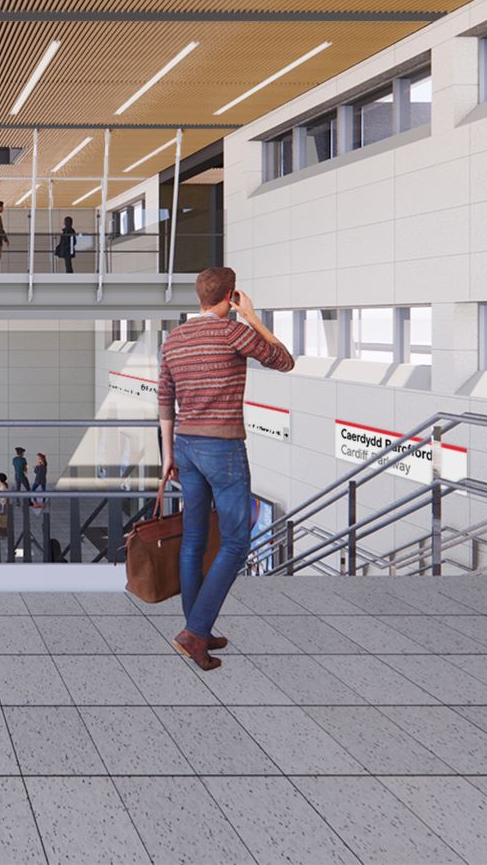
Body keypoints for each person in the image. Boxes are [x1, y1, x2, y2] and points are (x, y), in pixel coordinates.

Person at [158, 267, 295, 671]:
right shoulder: (233, 332)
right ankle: (195, 632)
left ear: (199, 296)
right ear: (231, 296)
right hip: (222, 448)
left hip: (184, 446)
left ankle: (196, 627)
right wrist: (252, 317)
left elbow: (165, 399)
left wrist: (168, 455)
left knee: (194, 540)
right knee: (237, 542)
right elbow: (284, 361)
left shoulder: (174, 339)